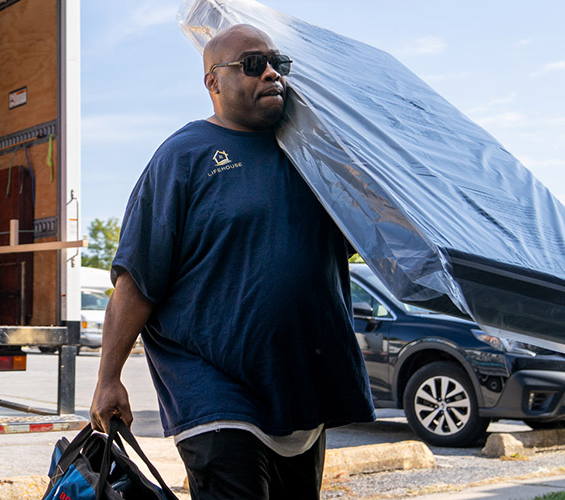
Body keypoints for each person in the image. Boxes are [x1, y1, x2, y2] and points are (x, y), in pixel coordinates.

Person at [88, 24, 375, 499]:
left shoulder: (310, 156)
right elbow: (137, 279)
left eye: (277, 64)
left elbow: (347, 245)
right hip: (213, 382)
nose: (270, 74)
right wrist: (108, 377)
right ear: (213, 83)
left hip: (300, 385)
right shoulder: (184, 156)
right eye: (251, 64)